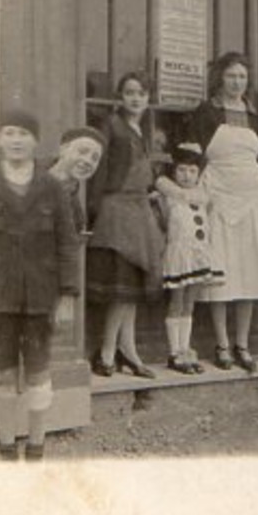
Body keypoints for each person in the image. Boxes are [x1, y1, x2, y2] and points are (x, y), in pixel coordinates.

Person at [0, 110, 80, 461]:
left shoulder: (52, 188)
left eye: (23, 134)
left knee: (40, 373)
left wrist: (69, 296)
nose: (15, 140)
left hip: (42, 298)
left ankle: (37, 447)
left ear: (35, 141)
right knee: (2, 373)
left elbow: (68, 245)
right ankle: (8, 447)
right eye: (8, 133)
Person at [189, 51, 258, 373]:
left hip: (253, 195)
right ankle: (222, 344)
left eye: (242, 77)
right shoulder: (206, 112)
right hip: (219, 192)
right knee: (222, 270)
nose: (237, 82)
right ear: (220, 79)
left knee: (250, 268)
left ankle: (242, 343)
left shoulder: (256, 115)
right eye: (231, 76)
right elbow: (194, 154)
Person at [86, 71, 165, 379]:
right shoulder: (112, 127)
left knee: (131, 288)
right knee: (120, 290)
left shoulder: (141, 128)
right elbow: (99, 170)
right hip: (117, 211)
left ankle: (127, 350)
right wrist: (93, 210)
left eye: (141, 93)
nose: (135, 98)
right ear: (120, 97)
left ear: (148, 98)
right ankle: (106, 352)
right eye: (129, 92)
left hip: (138, 211)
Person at [155, 143, 223, 375]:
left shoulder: (202, 196)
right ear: (174, 172)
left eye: (192, 171)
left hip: (198, 254)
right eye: (182, 170)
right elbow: (160, 183)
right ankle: (174, 352)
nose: (187, 175)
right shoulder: (172, 195)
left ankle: (186, 348)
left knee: (189, 303)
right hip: (179, 254)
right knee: (177, 301)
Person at [49, 126, 107, 232]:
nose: (88, 161)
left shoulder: (76, 218)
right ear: (63, 149)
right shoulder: (24, 176)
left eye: (95, 158)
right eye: (82, 152)